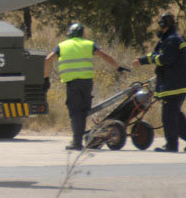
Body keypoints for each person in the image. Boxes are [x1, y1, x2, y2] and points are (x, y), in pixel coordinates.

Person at [44, 22, 125, 151]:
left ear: (70, 33)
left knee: (75, 112)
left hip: (72, 83)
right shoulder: (89, 44)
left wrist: (46, 78)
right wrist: (118, 67)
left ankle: (76, 142)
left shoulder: (62, 46)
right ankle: (82, 138)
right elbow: (105, 56)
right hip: (87, 83)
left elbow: (47, 60)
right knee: (83, 111)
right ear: (82, 33)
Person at [133, 13, 186, 152]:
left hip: (174, 86)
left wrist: (151, 59)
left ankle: (171, 145)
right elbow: (156, 54)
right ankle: (173, 144)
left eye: (161, 25)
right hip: (173, 85)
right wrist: (143, 59)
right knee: (176, 116)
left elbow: (164, 59)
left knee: (168, 117)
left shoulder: (173, 40)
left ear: (165, 25)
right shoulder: (167, 39)